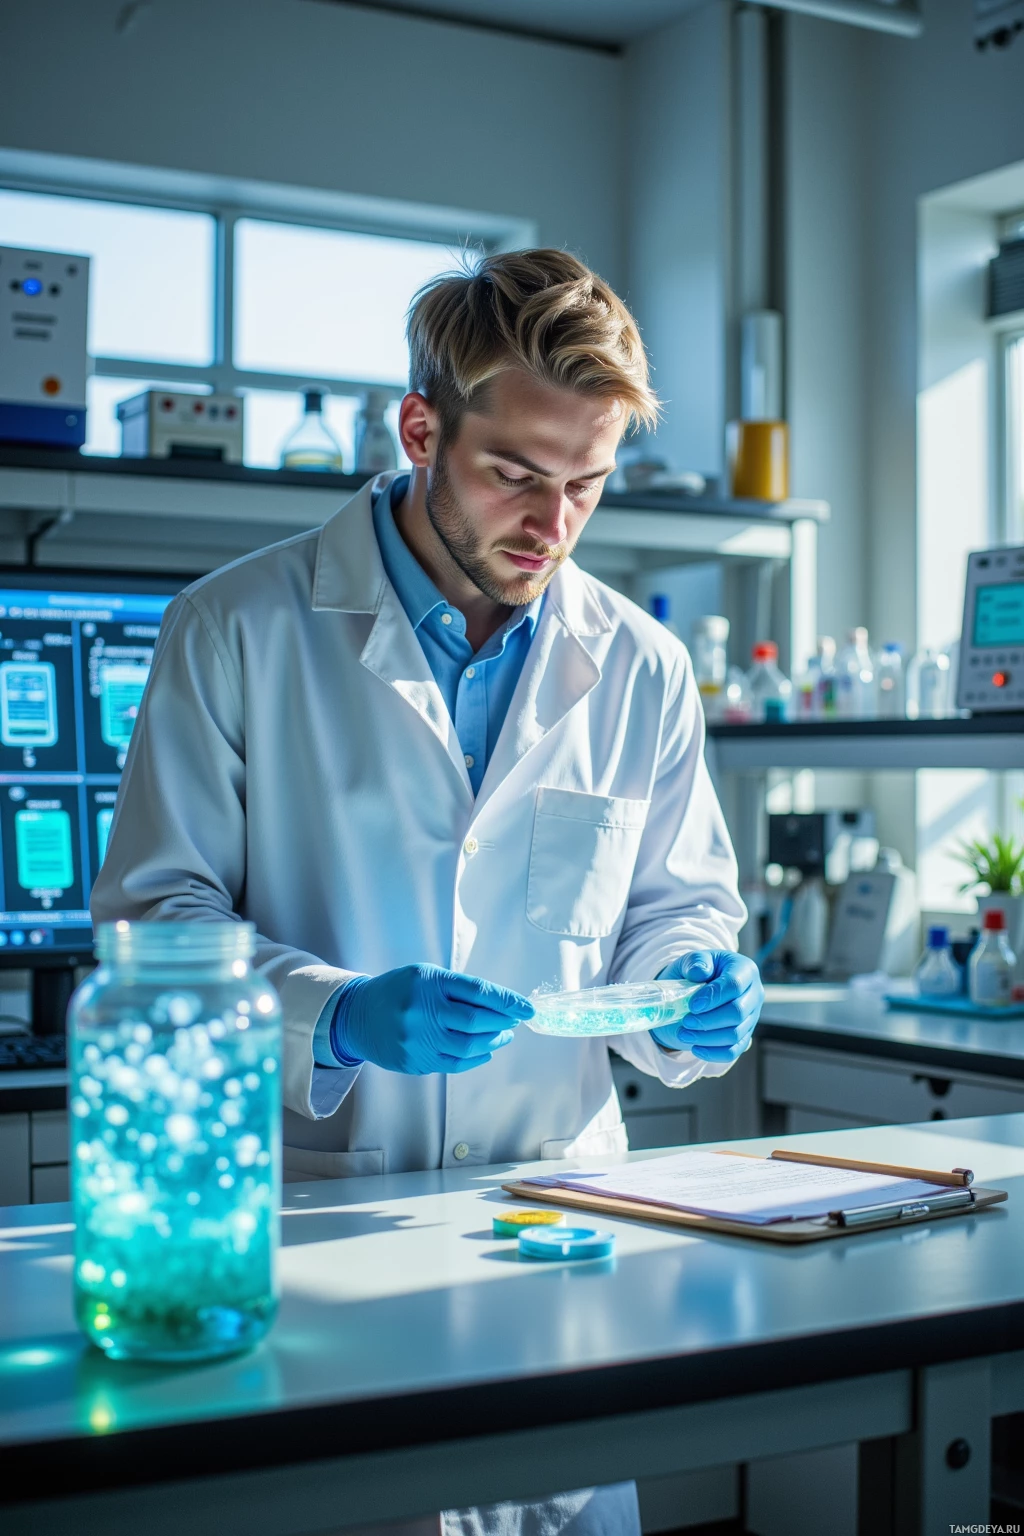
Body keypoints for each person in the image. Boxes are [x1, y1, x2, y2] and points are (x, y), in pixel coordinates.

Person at [92, 248, 763, 1536]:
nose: (551, 525)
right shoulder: (236, 629)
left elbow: (679, 903)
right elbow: (150, 923)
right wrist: (336, 1015)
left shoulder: (640, 664)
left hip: (558, 1246)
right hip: (323, 1235)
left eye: (586, 485)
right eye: (515, 473)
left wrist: (689, 986)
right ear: (420, 431)